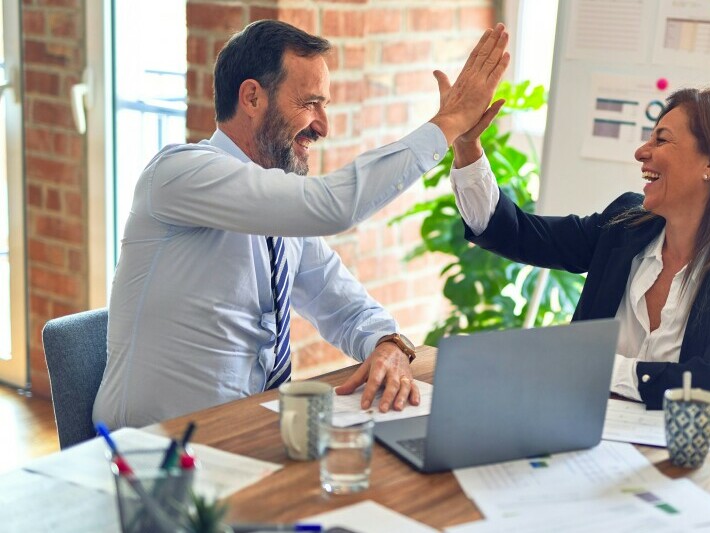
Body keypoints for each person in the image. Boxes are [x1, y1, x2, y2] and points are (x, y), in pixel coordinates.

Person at [93, 19, 509, 429]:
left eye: (324, 105)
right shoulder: (179, 174)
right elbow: (333, 206)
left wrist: (388, 343)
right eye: (310, 103)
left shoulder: (280, 214)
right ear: (252, 98)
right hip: (152, 454)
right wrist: (449, 123)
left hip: (248, 436)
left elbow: (344, 305)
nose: (323, 126)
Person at [449, 87, 710, 419]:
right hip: (583, 435)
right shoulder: (625, 226)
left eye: (661, 139)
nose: (641, 152)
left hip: (690, 462)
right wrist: (467, 145)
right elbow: (515, 233)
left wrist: (593, 366)